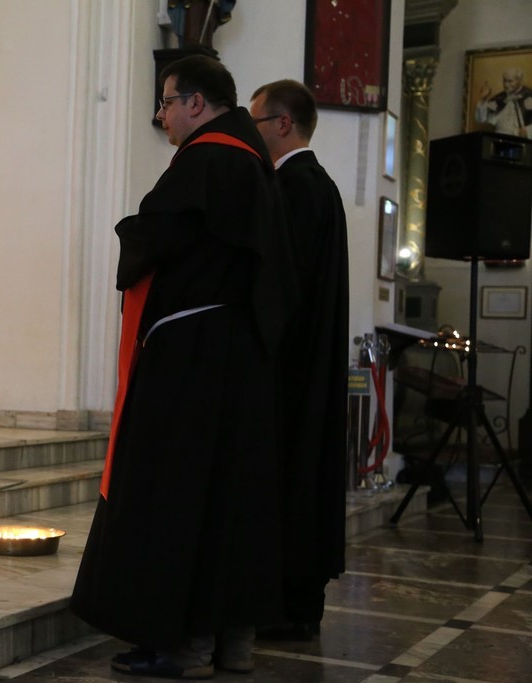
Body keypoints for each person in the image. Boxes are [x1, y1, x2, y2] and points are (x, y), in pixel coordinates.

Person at [70, 55, 297, 679]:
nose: (162, 114)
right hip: (243, 359)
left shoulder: (206, 161)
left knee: (178, 493)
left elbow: (154, 237)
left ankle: (185, 646)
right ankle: (234, 644)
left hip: (191, 359)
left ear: (196, 103)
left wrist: (130, 231)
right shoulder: (258, 166)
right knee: (232, 499)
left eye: (167, 102)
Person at [249, 79, 349, 641]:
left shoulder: (292, 188)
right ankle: (298, 602)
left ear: (282, 124)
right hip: (311, 363)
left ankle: (284, 605)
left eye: (256, 123)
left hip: (288, 369)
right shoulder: (320, 186)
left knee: (287, 478)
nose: (251, 134)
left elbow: (276, 287)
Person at [475, 67, 532, 138]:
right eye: (505, 81)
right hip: (499, 139)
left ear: (519, 81)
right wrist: (483, 100)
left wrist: (528, 131)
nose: (506, 85)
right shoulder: (499, 98)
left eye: (510, 81)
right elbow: (481, 119)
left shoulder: (530, 96)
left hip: (522, 140)